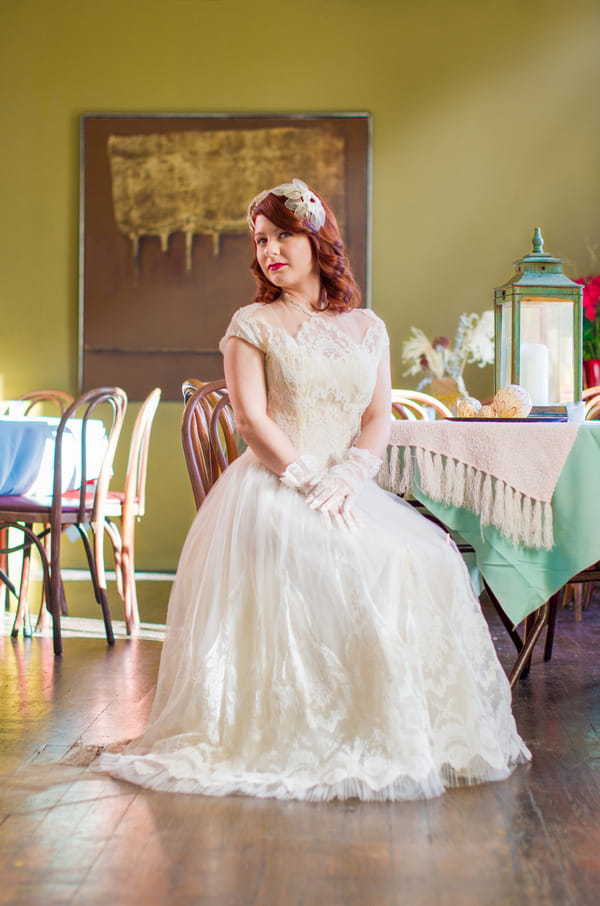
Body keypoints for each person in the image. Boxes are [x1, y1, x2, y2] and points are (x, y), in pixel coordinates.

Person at [100, 178, 530, 800]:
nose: (270, 250)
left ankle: (396, 729)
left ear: (316, 237)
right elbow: (250, 419)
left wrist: (351, 474)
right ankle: (315, 731)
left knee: (425, 555)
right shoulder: (253, 323)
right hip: (277, 484)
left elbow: (378, 415)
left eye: (284, 235)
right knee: (346, 561)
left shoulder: (368, 326)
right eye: (261, 240)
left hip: (345, 484)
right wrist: (305, 478)